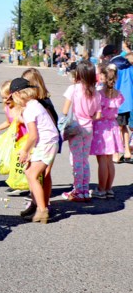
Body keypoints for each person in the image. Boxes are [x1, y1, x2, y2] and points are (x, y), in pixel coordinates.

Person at [9, 77, 58, 223]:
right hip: (47, 141)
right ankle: (36, 204)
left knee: (31, 174)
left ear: (17, 94)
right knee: (29, 171)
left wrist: (24, 151)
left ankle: (42, 210)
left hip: (47, 143)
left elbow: (33, 135)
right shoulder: (34, 104)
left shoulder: (30, 110)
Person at [60, 61, 101, 202]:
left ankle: (77, 190)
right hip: (89, 128)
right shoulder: (95, 92)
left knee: (76, 159)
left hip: (76, 127)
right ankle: (84, 190)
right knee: (84, 160)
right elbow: (98, 115)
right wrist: (88, 117)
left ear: (79, 73)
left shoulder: (73, 89)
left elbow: (65, 111)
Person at [92, 62, 123, 198]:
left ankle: (101, 189)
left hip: (101, 128)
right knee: (109, 160)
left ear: (104, 76)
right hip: (113, 127)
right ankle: (109, 188)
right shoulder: (118, 94)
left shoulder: (99, 94)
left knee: (102, 161)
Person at [101, 44, 133, 164]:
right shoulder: (128, 64)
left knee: (116, 127)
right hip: (129, 100)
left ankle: (116, 153)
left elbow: (110, 84)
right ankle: (127, 152)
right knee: (123, 127)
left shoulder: (112, 67)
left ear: (108, 56)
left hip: (117, 101)